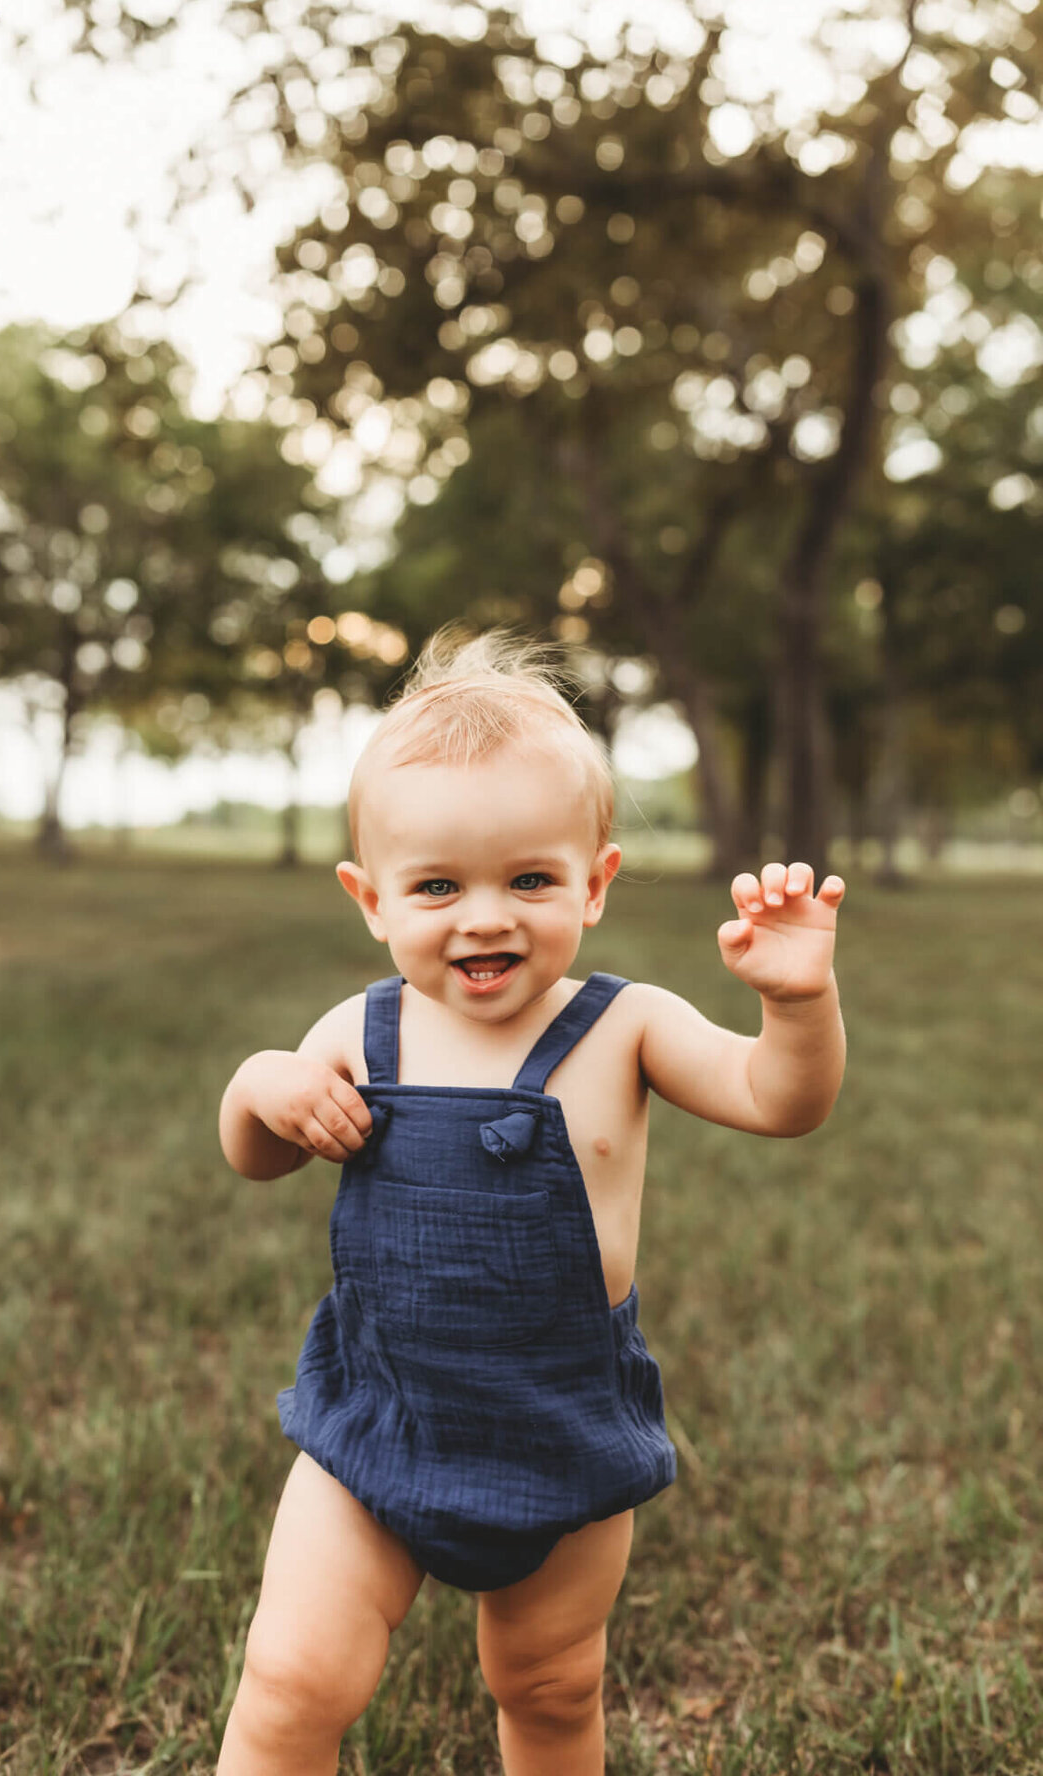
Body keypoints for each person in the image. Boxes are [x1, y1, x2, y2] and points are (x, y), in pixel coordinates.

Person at [216, 626, 846, 1776]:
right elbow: (257, 1158)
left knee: (551, 1685)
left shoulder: (627, 1026)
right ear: (372, 899)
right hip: (380, 1418)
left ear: (595, 883)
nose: (486, 917)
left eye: (531, 879)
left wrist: (798, 1007)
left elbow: (777, 1101)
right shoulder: (358, 1033)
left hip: (560, 1427)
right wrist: (265, 1086)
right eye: (439, 886)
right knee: (295, 1677)